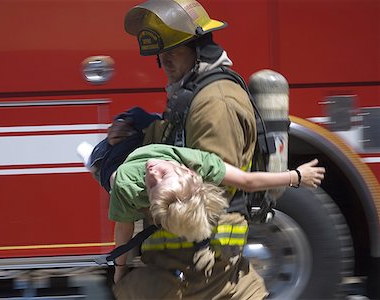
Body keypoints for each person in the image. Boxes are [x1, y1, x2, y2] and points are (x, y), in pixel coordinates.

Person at [106, 0, 267, 299]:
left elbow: (215, 186)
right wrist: (137, 129)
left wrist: (134, 192)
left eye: (175, 52)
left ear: (199, 49)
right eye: (162, 54)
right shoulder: (192, 94)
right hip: (188, 263)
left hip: (205, 265)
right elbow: (180, 149)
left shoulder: (215, 103)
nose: (165, 62)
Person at [103, 144, 324, 299]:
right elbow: (248, 181)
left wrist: (119, 268)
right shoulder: (196, 164)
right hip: (131, 150)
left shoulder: (130, 184)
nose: (152, 173)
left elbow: (248, 181)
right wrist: (297, 176)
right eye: (159, 179)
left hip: (121, 165)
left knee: (102, 165)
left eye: (155, 183)